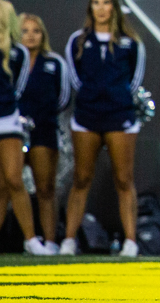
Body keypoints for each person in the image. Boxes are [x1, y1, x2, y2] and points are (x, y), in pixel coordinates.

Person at [59, 0, 145, 257]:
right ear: (90, 8)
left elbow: (135, 81)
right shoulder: (78, 41)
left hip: (120, 116)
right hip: (87, 117)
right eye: (95, 2)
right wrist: (92, 95)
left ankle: (131, 241)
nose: (100, 8)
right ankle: (69, 240)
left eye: (106, 2)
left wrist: (116, 97)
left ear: (114, 7)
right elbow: (75, 79)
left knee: (124, 178)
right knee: (81, 178)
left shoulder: (131, 43)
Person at [0, 14, 68, 254]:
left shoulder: (54, 62)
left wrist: (40, 117)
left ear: (43, 34)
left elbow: (63, 97)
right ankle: (29, 239)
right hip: (12, 127)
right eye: (25, 30)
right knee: (7, 183)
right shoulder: (10, 56)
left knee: (45, 187)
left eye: (36, 31)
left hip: (42, 130)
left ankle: (48, 241)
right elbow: (13, 92)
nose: (30, 35)